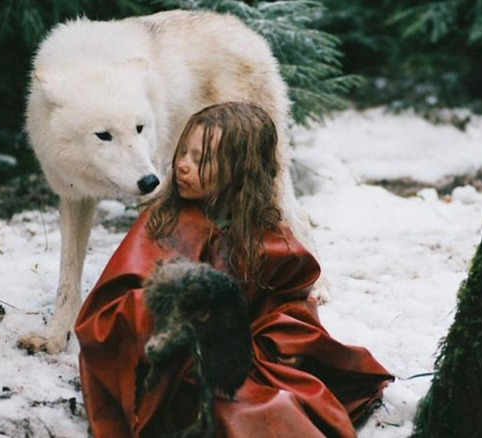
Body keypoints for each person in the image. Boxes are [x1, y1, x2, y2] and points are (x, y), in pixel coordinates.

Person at [75, 102, 393, 437]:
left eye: (200, 160)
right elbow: (107, 311)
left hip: (250, 362)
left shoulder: (267, 236)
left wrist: (274, 345)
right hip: (177, 371)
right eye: (183, 153)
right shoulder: (164, 224)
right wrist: (174, 317)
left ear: (241, 171)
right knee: (248, 411)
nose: (182, 165)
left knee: (289, 400)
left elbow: (288, 307)